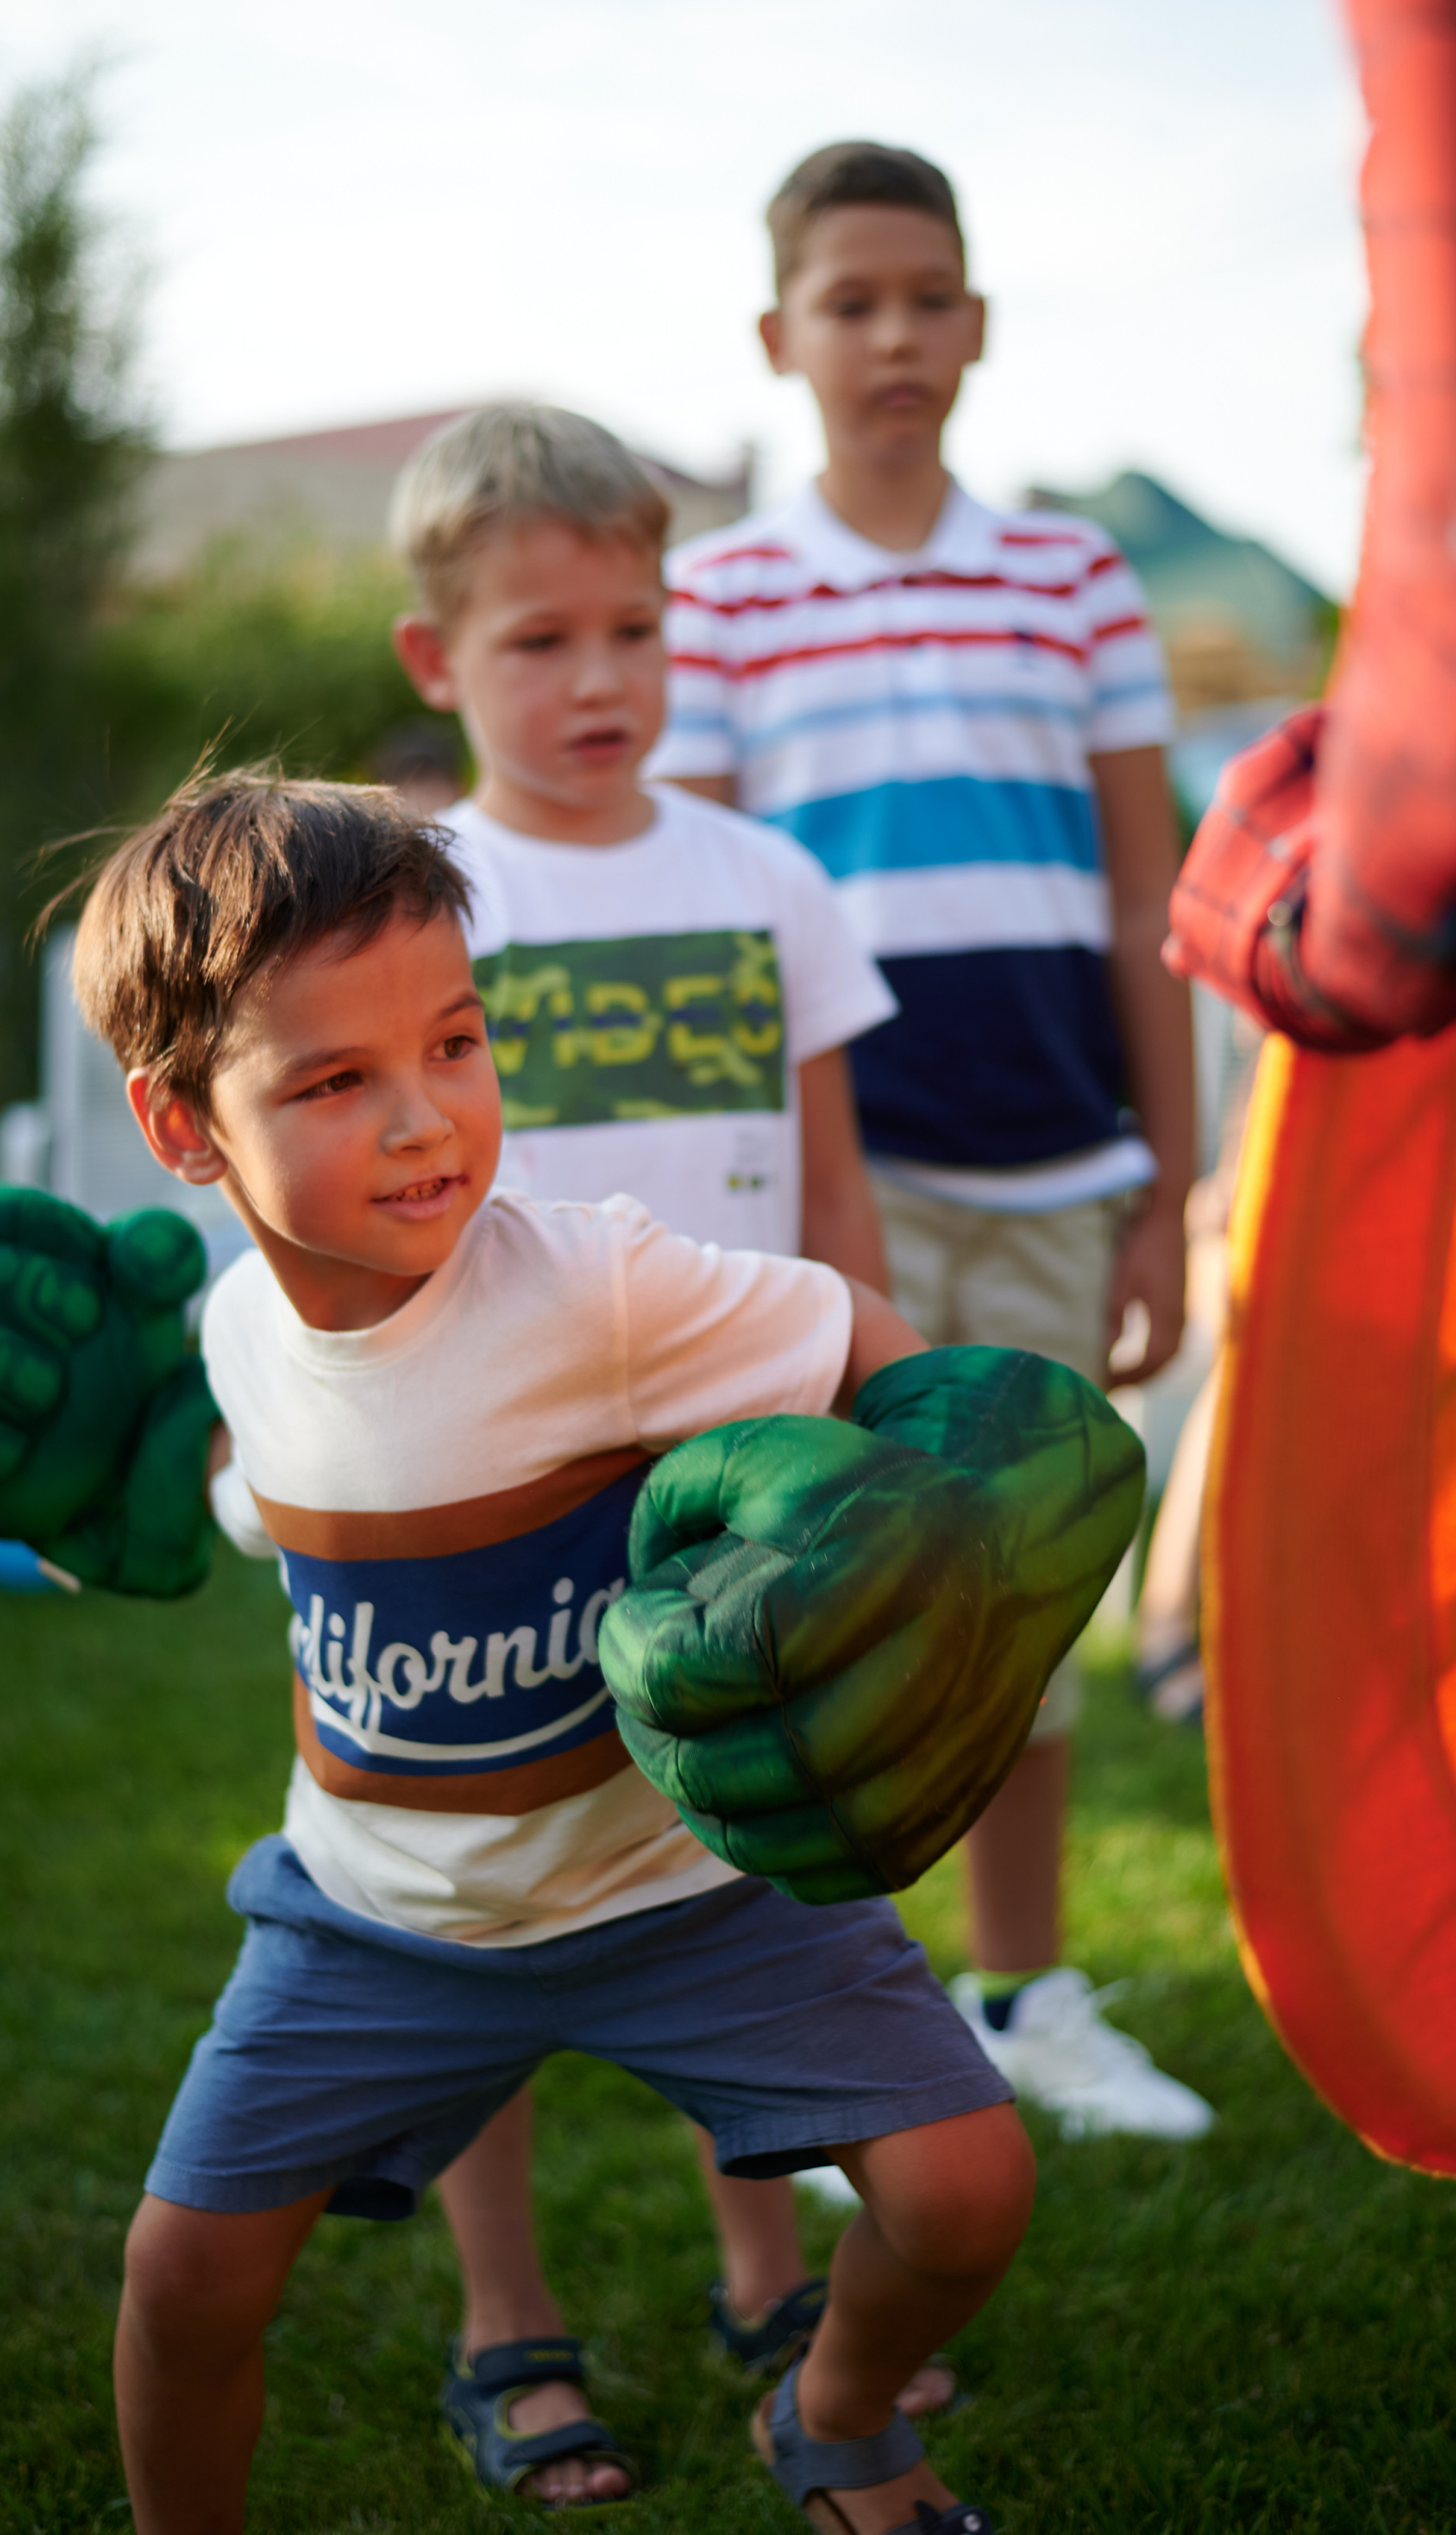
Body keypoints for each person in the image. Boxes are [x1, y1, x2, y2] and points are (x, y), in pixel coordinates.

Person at [55, 768, 1031, 2535]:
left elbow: (865, 1335)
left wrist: (940, 1506)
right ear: (184, 1128)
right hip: (375, 1921)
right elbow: (273, 1513)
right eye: (338, 1079)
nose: (428, 1117)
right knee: (183, 2278)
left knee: (968, 2190)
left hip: (687, 1891)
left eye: (457, 1039)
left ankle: (838, 2416)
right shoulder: (238, 1333)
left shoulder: (602, 1287)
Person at [384, 401, 955, 2495]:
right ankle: (502, 2310)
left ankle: (764, 2261)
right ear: (437, 658)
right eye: (541, 641)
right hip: (483, 1492)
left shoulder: (768, 878)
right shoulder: (412, 892)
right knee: (476, 1900)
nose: (603, 678)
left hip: (738, 1490)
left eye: (636, 625)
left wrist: (875, 1423)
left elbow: (836, 1191)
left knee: (745, 1879)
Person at [650, 140, 1213, 2142]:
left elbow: (1150, 892)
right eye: (853, 300)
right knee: (830, 1618)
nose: (896, 335)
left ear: (976, 324)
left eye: (930, 297)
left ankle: (1030, 1989)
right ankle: (838, 2041)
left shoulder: (1074, 575)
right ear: (780, 335)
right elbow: (709, 924)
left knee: (1029, 1594)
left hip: (1064, 1174)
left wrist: (1171, 1187)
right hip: (830, 1203)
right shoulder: (708, 599)